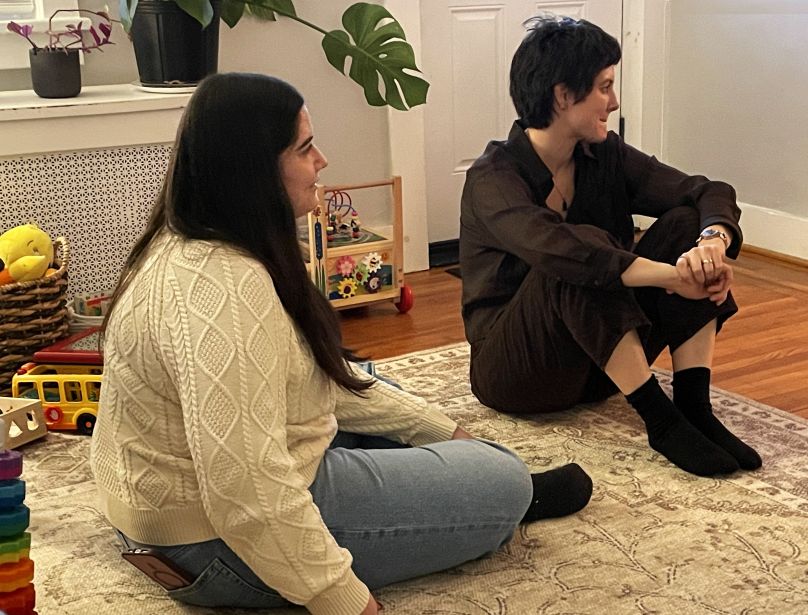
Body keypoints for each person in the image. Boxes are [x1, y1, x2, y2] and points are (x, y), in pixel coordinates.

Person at [90, 72, 594, 615]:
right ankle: (501, 502)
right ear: (253, 170)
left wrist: (443, 430)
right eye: (305, 148)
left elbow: (315, 379)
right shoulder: (226, 287)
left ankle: (465, 482)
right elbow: (247, 491)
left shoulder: (183, 239)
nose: (322, 160)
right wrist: (345, 601)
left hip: (169, 515)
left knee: (367, 383)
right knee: (504, 479)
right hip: (211, 544)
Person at [460, 16, 762, 478]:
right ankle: (661, 422)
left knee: (685, 222)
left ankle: (693, 407)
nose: (614, 101)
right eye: (604, 87)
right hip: (517, 373)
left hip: (600, 365)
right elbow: (566, 253)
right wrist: (675, 278)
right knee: (574, 255)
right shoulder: (493, 178)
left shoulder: (605, 155)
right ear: (564, 96)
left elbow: (706, 190)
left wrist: (710, 246)